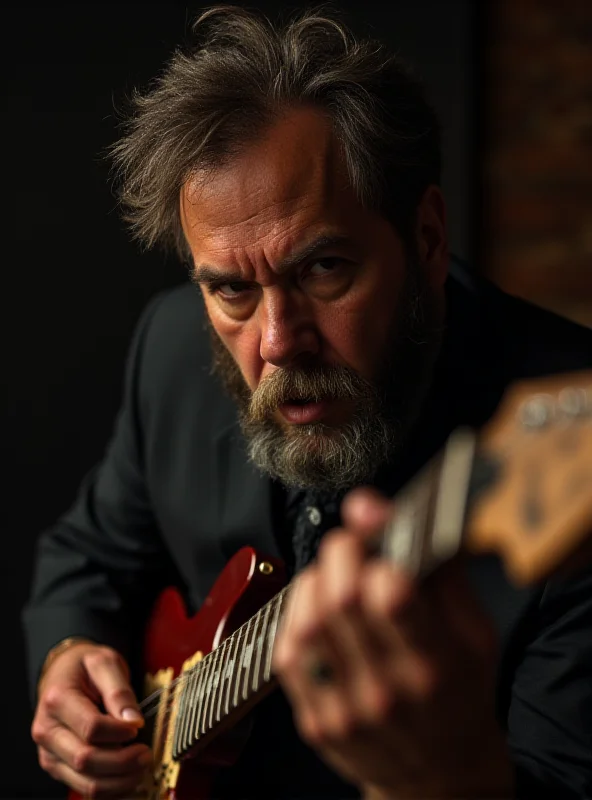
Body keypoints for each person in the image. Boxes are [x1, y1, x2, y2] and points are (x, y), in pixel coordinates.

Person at [23, 5, 592, 799]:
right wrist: (66, 659)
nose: (279, 341)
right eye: (230, 290)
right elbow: (86, 556)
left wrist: (456, 777)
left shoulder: (564, 444)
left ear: (426, 240)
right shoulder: (169, 350)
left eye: (323, 270)